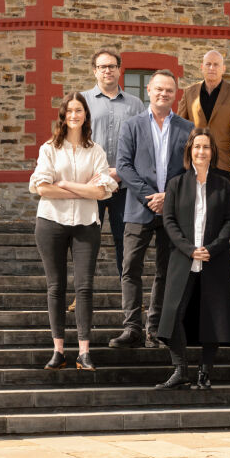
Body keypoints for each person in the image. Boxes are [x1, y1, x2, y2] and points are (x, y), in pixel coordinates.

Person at [29, 92, 117, 371]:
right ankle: (58, 351)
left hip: (86, 224)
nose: (74, 115)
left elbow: (103, 191)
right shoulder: (49, 149)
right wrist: (83, 189)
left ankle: (83, 352)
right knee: (56, 287)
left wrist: (65, 184)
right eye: (70, 111)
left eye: (79, 110)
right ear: (63, 116)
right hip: (51, 223)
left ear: (85, 115)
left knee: (85, 287)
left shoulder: (96, 151)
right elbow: (41, 187)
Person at [110, 70, 194, 348]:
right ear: (149, 90)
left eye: (169, 90)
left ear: (175, 93)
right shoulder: (132, 125)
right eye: (158, 89)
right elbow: (123, 166)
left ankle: (155, 328)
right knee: (130, 268)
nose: (163, 94)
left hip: (172, 212)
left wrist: (168, 196)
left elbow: (190, 169)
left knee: (165, 270)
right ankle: (131, 328)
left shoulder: (186, 128)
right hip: (138, 208)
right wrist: (149, 196)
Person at [155, 127, 230, 390]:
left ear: (212, 153)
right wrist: (189, 248)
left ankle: (205, 371)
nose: (201, 151)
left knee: (213, 314)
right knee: (174, 313)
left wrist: (212, 248)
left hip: (215, 259)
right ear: (190, 151)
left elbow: (229, 220)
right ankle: (181, 369)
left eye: (206, 147)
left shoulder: (223, 186)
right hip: (183, 259)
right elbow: (169, 221)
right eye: (197, 147)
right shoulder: (176, 184)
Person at [81, 48, 145, 279]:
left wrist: (121, 172)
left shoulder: (135, 105)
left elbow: (142, 144)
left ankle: (129, 298)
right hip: (90, 185)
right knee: (86, 243)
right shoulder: (82, 101)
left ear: (119, 70)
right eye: (102, 67)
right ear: (94, 71)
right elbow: (73, 140)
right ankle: (82, 293)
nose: (107, 70)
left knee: (124, 241)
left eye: (111, 66)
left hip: (122, 186)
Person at [177, 50, 230, 180]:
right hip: (194, 162)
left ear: (223, 69)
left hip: (222, 163)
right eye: (208, 64)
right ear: (202, 67)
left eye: (216, 65)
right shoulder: (189, 93)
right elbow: (179, 128)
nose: (212, 68)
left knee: (218, 200)